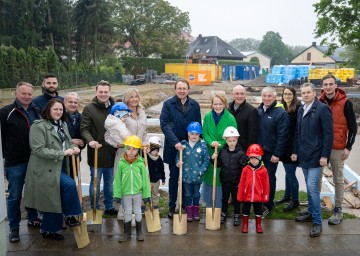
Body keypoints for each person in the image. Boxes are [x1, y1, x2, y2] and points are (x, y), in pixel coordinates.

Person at [24, 98, 83, 240]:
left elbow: (67, 141)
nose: (58, 111)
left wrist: (73, 148)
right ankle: (70, 216)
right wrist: (63, 153)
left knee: (55, 196)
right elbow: (38, 150)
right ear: (48, 110)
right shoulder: (38, 126)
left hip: (60, 165)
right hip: (44, 168)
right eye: (55, 109)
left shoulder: (62, 124)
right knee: (65, 187)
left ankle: (50, 230)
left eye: (61, 109)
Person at [0, 82, 42, 242]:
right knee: (15, 196)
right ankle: (14, 228)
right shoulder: (5, 112)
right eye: (23, 93)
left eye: (29, 94)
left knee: (32, 193)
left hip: (34, 161)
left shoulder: (36, 110)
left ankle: (32, 218)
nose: (27, 97)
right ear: (16, 93)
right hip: (15, 163)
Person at [292, 83, 333, 238]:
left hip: (316, 156)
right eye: (303, 93)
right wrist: (295, 151)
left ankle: (317, 221)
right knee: (309, 187)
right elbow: (298, 132)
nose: (306, 95)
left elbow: (328, 134)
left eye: (308, 92)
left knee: (312, 186)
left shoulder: (322, 109)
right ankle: (310, 212)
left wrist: (325, 156)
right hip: (303, 155)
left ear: (314, 93)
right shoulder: (301, 109)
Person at [318, 74, 357, 225]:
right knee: (317, 178)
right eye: (325, 84)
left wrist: (348, 147)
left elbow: (353, 127)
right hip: (321, 147)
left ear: (336, 85)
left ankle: (338, 209)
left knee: (338, 179)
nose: (328, 87)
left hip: (337, 147)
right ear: (322, 86)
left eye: (330, 84)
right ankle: (317, 206)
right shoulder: (319, 101)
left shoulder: (346, 103)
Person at [160, 79, 201, 218]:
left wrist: (193, 142)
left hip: (189, 148)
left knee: (187, 178)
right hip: (173, 147)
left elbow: (197, 124)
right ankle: (172, 205)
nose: (182, 91)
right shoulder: (168, 104)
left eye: (184, 88)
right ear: (175, 89)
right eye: (179, 88)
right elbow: (164, 124)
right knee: (174, 177)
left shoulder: (195, 105)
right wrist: (175, 142)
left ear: (188, 90)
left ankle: (185, 204)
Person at [80, 80, 118, 216]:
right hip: (96, 151)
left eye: (106, 92)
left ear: (110, 92)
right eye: (100, 92)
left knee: (109, 181)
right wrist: (90, 141)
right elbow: (84, 129)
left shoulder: (115, 107)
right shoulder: (89, 108)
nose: (103, 94)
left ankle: (109, 206)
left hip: (111, 152)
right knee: (95, 181)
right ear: (96, 92)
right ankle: (94, 207)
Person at [202, 93, 237, 210]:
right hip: (209, 151)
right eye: (215, 104)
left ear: (225, 104)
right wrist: (211, 142)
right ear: (212, 105)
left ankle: (220, 204)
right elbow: (205, 132)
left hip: (224, 153)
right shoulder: (207, 116)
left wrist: (221, 144)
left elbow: (233, 135)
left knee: (220, 177)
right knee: (209, 175)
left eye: (220, 104)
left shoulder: (230, 118)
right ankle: (208, 202)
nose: (218, 106)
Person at [257, 86, 289, 215]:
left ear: (274, 97)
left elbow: (283, 135)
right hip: (259, 153)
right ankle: (259, 202)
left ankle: (268, 205)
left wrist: (277, 154)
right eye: (264, 96)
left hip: (271, 154)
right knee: (258, 179)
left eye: (269, 96)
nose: (266, 98)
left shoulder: (281, 113)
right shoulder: (259, 110)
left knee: (269, 179)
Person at [114, 135, 151, 242]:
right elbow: (117, 181)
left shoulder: (140, 163)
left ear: (138, 150)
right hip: (126, 193)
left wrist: (147, 195)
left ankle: (139, 232)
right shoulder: (121, 163)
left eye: (134, 149)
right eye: (129, 148)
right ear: (125, 148)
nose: (131, 151)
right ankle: (126, 233)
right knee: (127, 211)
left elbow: (145, 180)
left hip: (138, 193)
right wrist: (117, 194)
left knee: (138, 211)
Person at [175, 122, 209, 222]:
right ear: (188, 133)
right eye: (192, 133)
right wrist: (178, 163)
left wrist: (201, 171)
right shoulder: (183, 146)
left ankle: (196, 211)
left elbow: (206, 160)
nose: (194, 136)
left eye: (197, 134)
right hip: (186, 176)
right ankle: (189, 211)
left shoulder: (203, 146)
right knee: (187, 194)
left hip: (197, 177)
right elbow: (178, 157)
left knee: (196, 194)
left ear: (200, 135)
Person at [275, 87, 301, 212]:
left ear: (294, 95)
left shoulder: (298, 109)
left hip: (292, 147)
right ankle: (287, 195)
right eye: (285, 94)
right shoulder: (282, 108)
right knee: (287, 172)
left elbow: (297, 132)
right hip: (284, 146)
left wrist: (295, 150)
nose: (287, 96)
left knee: (291, 174)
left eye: (289, 94)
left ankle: (295, 200)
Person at [215, 126, 246, 226]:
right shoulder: (222, 151)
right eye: (229, 140)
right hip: (225, 180)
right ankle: (224, 213)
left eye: (234, 140)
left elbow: (244, 168)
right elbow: (219, 163)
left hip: (236, 181)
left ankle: (237, 214)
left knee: (236, 199)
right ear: (226, 141)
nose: (232, 142)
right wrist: (213, 159)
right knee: (224, 198)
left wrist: (243, 180)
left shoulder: (241, 153)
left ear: (237, 140)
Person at [237, 144, 270, 234]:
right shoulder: (245, 169)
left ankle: (258, 225)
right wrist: (240, 195)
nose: (253, 160)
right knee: (245, 210)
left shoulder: (263, 170)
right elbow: (242, 183)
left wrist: (265, 196)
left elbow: (266, 185)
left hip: (258, 196)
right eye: (251, 158)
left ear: (260, 158)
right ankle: (245, 224)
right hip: (246, 195)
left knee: (258, 210)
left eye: (255, 158)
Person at [228, 84, 259, 151]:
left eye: (242, 94)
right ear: (233, 94)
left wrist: (248, 151)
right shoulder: (227, 108)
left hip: (243, 149)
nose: (240, 96)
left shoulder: (251, 111)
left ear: (245, 95)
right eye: (237, 94)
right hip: (228, 148)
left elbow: (252, 135)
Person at [64, 92, 85, 178]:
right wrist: (70, 141)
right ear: (64, 102)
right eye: (70, 102)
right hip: (63, 157)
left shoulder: (81, 117)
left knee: (73, 180)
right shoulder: (59, 116)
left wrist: (83, 143)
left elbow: (83, 134)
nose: (73, 104)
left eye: (75, 102)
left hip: (76, 156)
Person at [147, 136, 166, 209]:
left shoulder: (159, 159)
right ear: (150, 150)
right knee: (146, 194)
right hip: (148, 180)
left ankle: (155, 205)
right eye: (154, 150)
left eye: (157, 150)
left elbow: (162, 169)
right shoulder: (146, 158)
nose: (156, 152)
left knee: (155, 193)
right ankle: (144, 205)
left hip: (156, 181)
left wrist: (163, 179)